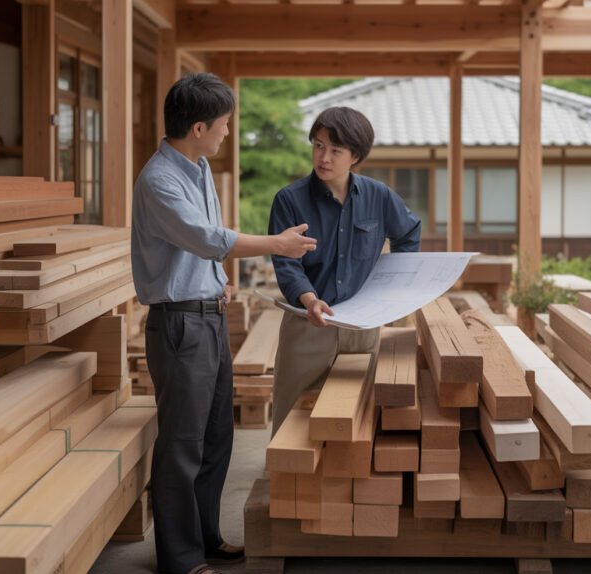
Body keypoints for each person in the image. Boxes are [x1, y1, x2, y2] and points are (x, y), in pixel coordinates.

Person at [131, 73, 316, 574]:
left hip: (208, 319)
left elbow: (203, 250)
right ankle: (180, 559)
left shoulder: (198, 166)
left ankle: (207, 538)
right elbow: (207, 236)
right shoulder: (159, 180)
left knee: (216, 437)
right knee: (182, 444)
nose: (227, 133)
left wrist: (218, 280)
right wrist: (277, 244)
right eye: (224, 125)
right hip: (179, 327)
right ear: (198, 127)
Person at [267, 106, 421, 437]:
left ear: (355, 156)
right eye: (318, 145)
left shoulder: (379, 196)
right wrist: (310, 301)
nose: (324, 157)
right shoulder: (289, 201)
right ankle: (283, 482)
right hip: (307, 324)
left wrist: (389, 293)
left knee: (358, 417)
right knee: (290, 420)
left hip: (362, 326)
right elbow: (286, 262)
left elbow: (408, 236)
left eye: (335, 150)